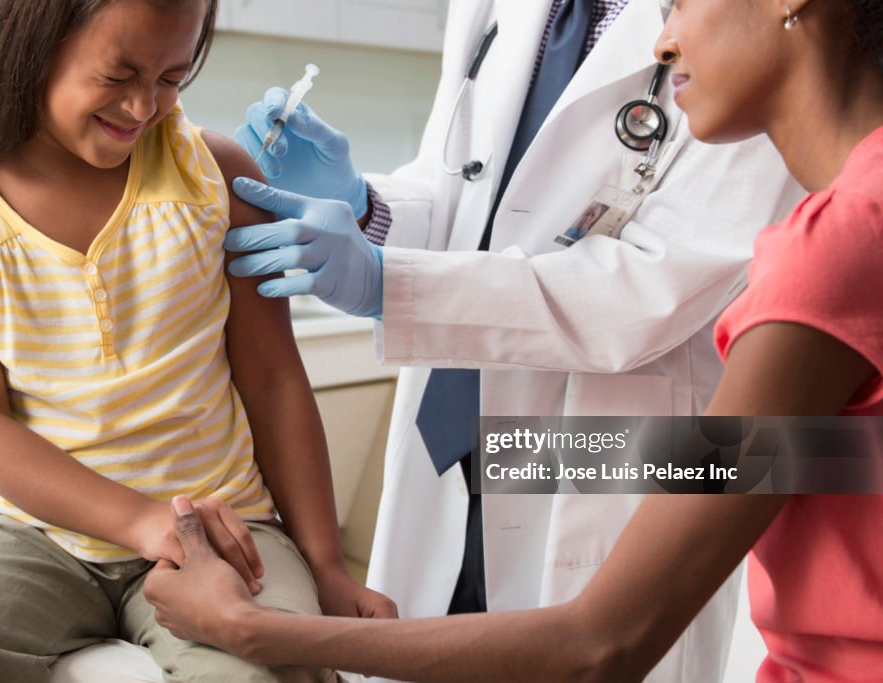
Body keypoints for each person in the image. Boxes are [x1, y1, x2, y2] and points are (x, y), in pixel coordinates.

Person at [144, 0, 883, 679]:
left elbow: (601, 641)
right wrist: (368, 213)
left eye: (681, 3)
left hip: (601, 449)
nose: (666, 37)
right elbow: (817, 456)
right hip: (493, 442)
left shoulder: (828, 256)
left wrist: (252, 629)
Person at [0, 0, 393, 680]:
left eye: (172, 77)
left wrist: (323, 566)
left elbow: (274, 380)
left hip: (225, 529)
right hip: (34, 536)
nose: (145, 107)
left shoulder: (216, 175)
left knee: (270, 670)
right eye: (119, 75)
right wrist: (142, 520)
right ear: (33, 48)